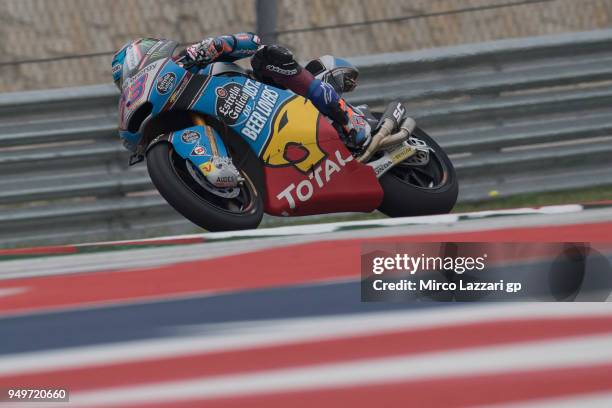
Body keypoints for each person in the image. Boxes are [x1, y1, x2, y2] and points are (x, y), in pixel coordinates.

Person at [112, 32, 370, 149]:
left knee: (267, 57)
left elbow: (252, 42)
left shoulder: (188, 62)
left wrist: (215, 46)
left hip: (269, 96)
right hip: (259, 139)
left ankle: (348, 117)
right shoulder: (164, 106)